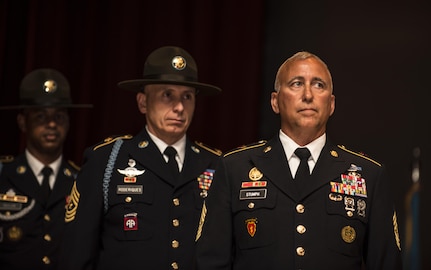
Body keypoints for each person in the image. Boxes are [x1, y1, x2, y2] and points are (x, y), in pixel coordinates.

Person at [196, 51, 402, 269]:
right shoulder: (234, 168)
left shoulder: (369, 175)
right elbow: (211, 262)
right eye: (296, 84)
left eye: (318, 85)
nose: (308, 95)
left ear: (331, 104)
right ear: (275, 101)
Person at [60, 46, 222, 270]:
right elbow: (77, 254)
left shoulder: (215, 163)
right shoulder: (107, 160)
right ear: (143, 102)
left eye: (187, 97)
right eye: (167, 95)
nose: (179, 107)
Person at [0, 68, 92, 270]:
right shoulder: (3, 175)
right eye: (41, 117)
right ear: (23, 122)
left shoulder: (83, 181)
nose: (51, 124)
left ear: (68, 123)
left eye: (59, 117)